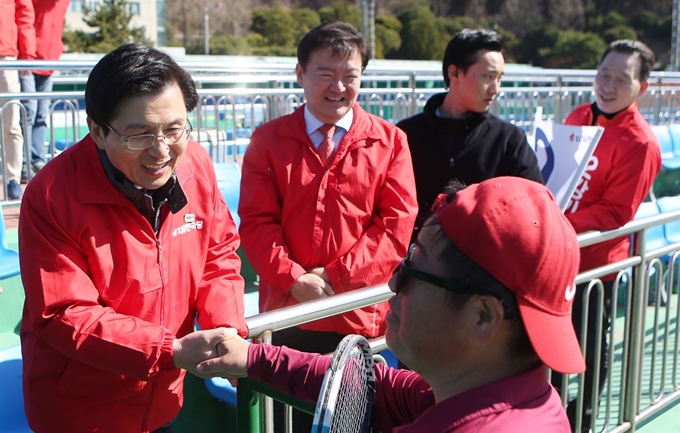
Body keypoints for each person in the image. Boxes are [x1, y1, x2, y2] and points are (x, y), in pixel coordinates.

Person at [194, 176, 586, 432]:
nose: (395, 284)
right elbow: (376, 386)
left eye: (414, 269)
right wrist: (254, 358)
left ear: (482, 316)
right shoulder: (511, 394)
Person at [19, 43, 248, 433]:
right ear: (97, 130)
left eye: (174, 129)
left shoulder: (195, 164)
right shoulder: (51, 194)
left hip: (163, 401)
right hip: (80, 413)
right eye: (139, 134)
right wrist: (169, 350)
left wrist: (225, 329)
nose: (161, 151)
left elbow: (219, 253)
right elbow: (63, 313)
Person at [238, 20, 417, 431]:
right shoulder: (269, 140)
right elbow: (256, 222)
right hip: (288, 315)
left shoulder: (389, 141)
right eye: (325, 73)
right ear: (300, 74)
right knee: (288, 419)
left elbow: (395, 225)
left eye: (350, 76)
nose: (338, 86)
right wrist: (293, 277)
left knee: (354, 419)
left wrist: (335, 278)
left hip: (356, 316)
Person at [551, 39, 662, 433]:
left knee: (588, 349)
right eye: (603, 74)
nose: (609, 85)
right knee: (543, 347)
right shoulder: (580, 114)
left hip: (597, 267)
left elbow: (617, 212)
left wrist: (561, 223)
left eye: (622, 79)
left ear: (642, 88)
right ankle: (549, 415)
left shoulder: (641, 142)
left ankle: (579, 420)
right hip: (554, 258)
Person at [396, 29, 543, 240]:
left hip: (483, 266)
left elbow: (534, 207)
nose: (495, 88)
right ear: (454, 73)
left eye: (499, 78)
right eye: (487, 77)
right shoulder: (406, 135)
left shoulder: (509, 140)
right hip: (413, 263)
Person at [19, 0, 69, 174]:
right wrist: (25, 54)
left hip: (48, 61)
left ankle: (38, 159)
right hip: (28, 60)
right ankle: (24, 161)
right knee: (28, 112)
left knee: (41, 113)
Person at [0, 0, 35, 199]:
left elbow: (24, 14)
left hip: (6, 56)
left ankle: (12, 179)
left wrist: (27, 54)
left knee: (11, 123)